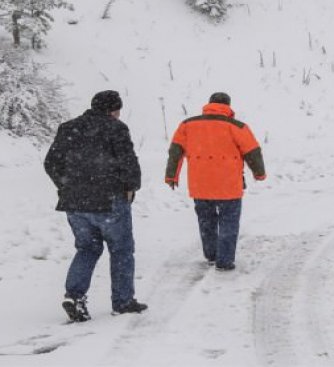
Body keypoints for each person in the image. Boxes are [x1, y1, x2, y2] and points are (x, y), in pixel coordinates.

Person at [44, 90, 147, 322]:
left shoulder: (68, 128)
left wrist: (65, 186)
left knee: (87, 248)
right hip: (109, 200)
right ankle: (123, 301)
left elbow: (51, 162)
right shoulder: (116, 128)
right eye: (118, 110)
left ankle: (74, 295)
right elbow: (128, 161)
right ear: (113, 110)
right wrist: (131, 187)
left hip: (75, 203)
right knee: (121, 250)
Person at [165, 92, 266, 271]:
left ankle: (211, 255)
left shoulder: (188, 125)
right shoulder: (237, 126)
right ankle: (225, 261)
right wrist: (259, 173)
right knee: (229, 222)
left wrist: (171, 175)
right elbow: (253, 152)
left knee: (206, 221)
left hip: (200, 185)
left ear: (209, 104)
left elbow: (176, 151)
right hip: (229, 185)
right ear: (228, 106)